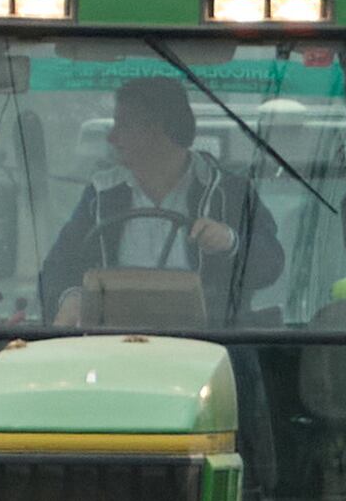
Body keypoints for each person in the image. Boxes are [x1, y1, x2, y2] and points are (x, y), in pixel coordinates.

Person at [32, 72, 282, 326]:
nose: (112, 137)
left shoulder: (228, 192)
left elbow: (271, 263)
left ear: (160, 128)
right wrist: (71, 297)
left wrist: (230, 242)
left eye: (124, 125)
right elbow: (58, 266)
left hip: (210, 342)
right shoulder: (101, 194)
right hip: (114, 344)